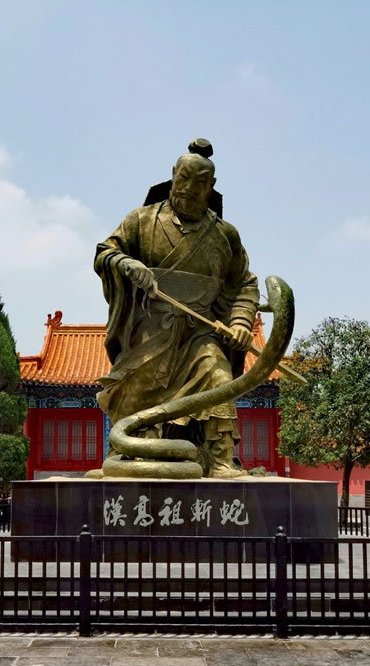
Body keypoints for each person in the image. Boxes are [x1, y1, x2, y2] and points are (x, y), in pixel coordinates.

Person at [93, 144, 259, 478]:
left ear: (211, 186)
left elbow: (244, 283)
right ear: (172, 175)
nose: (188, 189)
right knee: (136, 393)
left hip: (200, 332)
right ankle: (128, 454)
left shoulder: (225, 235)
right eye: (183, 178)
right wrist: (126, 264)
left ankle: (221, 461)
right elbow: (105, 253)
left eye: (199, 183)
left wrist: (241, 321)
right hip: (151, 332)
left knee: (218, 376)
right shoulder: (141, 220)